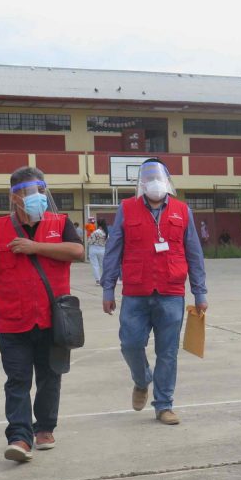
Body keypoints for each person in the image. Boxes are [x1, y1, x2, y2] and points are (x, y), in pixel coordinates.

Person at [0, 167, 84, 462]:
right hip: (13, 320)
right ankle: (19, 437)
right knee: (17, 379)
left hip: (52, 319)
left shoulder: (60, 222)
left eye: (41, 191)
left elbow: (78, 251)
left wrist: (36, 247)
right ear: (15, 196)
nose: (37, 197)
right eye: (31, 192)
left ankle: (44, 428)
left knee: (49, 376)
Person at [100, 158, 208, 425]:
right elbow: (113, 250)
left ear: (167, 180)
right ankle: (142, 379)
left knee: (167, 352)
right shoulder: (127, 208)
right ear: (141, 182)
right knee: (130, 344)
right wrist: (108, 288)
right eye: (147, 178)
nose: (154, 182)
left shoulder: (182, 211)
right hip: (136, 292)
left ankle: (164, 405)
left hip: (171, 292)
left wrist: (200, 292)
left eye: (157, 176)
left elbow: (194, 253)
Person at [87, 219, 108, 283]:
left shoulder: (95, 232)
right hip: (102, 249)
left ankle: (98, 279)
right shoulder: (106, 233)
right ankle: (104, 278)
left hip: (93, 248)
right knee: (102, 265)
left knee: (95, 265)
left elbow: (90, 241)